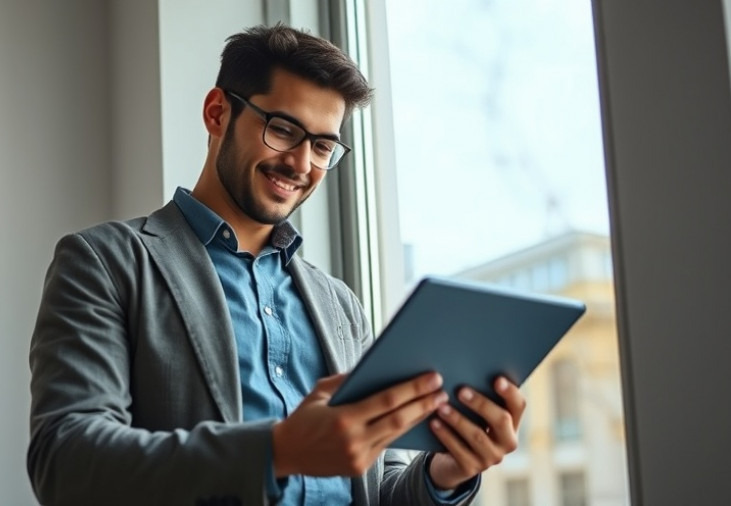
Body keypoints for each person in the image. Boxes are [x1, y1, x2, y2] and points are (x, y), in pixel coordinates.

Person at [27, 24, 525, 506]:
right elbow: (65, 461)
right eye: (284, 129)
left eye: (324, 145)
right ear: (218, 113)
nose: (302, 164)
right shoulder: (106, 262)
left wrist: (448, 472)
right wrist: (277, 451)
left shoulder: (341, 305)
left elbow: (380, 486)